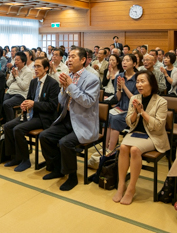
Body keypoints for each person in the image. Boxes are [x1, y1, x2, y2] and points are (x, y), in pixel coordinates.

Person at [39, 46, 100, 191]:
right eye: (69, 57)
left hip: (84, 123)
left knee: (65, 143)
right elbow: (61, 101)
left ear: (83, 60)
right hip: (67, 119)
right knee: (45, 136)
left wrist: (70, 86)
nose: (69, 60)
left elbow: (87, 102)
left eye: (73, 57)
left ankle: (72, 176)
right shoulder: (70, 75)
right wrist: (63, 87)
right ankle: (58, 168)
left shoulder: (92, 79)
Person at [113, 70, 170, 205]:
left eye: (142, 81)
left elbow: (158, 126)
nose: (139, 84)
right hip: (135, 133)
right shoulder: (135, 98)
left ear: (151, 83)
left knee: (134, 150)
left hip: (153, 136)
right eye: (137, 81)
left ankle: (131, 188)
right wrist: (135, 113)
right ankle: (121, 185)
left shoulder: (161, 102)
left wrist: (142, 112)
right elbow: (128, 121)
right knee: (123, 147)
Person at [4, 57, 59, 172]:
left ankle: (25, 160)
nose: (36, 69)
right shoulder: (34, 82)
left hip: (43, 117)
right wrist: (25, 104)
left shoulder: (52, 84)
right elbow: (29, 98)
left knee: (18, 129)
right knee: (7, 126)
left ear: (46, 68)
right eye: (35, 66)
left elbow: (52, 106)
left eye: (39, 66)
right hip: (30, 114)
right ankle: (14, 157)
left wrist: (34, 104)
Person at [104, 54, 139, 156]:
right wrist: (119, 89)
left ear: (134, 64)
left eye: (127, 60)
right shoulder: (120, 76)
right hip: (120, 106)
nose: (124, 62)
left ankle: (110, 151)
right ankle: (104, 148)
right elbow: (118, 98)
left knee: (115, 118)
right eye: (123, 60)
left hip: (132, 109)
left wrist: (124, 86)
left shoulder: (138, 78)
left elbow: (135, 100)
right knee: (108, 115)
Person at [3, 51, 33, 122]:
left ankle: (10, 124)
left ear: (23, 61)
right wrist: (13, 77)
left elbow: (24, 87)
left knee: (6, 104)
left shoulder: (28, 72)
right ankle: (2, 123)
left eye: (18, 60)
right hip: (10, 92)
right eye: (15, 60)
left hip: (20, 94)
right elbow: (8, 84)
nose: (15, 62)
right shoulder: (14, 70)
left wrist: (16, 76)